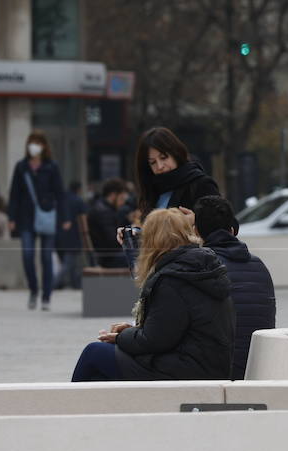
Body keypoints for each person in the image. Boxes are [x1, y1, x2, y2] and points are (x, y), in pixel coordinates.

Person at [71, 208, 234, 382]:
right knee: (98, 378)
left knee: (94, 352)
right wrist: (132, 331)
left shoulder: (172, 278)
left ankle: (62, 408)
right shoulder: (198, 266)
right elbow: (168, 330)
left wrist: (120, 338)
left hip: (188, 369)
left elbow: (154, 341)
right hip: (206, 366)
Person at [193, 194, 276, 380]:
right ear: (232, 230)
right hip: (258, 368)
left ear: (196, 231)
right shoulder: (260, 266)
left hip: (218, 372)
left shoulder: (199, 267)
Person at [6, 131, 66, 310]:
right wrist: (11, 216)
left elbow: (59, 193)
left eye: (38, 143)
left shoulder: (51, 166)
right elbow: (14, 193)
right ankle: (33, 290)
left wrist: (64, 217)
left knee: (46, 258)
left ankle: (46, 296)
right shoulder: (21, 166)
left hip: (47, 216)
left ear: (44, 146)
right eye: (32, 143)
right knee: (27, 255)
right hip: (26, 217)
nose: (35, 146)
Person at [134, 126, 221, 216]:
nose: (159, 166)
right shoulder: (152, 190)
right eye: (153, 162)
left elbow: (224, 225)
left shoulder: (201, 184)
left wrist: (195, 224)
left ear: (175, 154)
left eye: (163, 158)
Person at [87, 178, 131, 268]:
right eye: (122, 198)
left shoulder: (103, 208)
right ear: (113, 195)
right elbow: (113, 242)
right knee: (144, 257)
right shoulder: (103, 212)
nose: (123, 203)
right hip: (108, 258)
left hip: (108, 256)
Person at [54, 181, 88, 290]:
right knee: (69, 263)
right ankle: (54, 284)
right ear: (78, 189)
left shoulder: (62, 200)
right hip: (74, 236)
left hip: (59, 235)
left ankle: (75, 284)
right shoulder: (78, 201)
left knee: (71, 263)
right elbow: (83, 219)